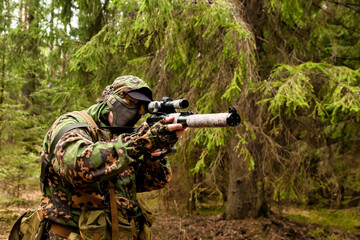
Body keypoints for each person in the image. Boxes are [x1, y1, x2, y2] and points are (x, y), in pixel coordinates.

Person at [39, 75, 187, 239]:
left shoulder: (126, 135)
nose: (135, 112)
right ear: (110, 99)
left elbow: (152, 182)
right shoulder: (73, 123)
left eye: (141, 108)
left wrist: (152, 157)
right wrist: (141, 142)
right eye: (130, 102)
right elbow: (77, 166)